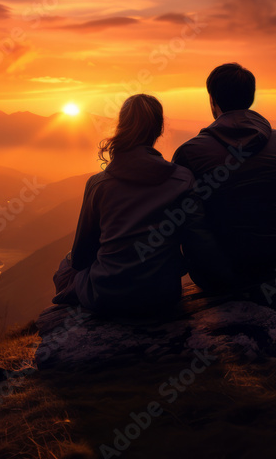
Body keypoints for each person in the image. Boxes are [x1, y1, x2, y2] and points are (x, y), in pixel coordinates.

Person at [52, 94, 231, 316]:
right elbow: (197, 241)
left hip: (107, 296)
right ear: (159, 130)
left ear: (122, 127)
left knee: (65, 268)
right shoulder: (182, 180)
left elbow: (81, 257)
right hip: (163, 295)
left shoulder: (99, 184)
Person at [173, 63, 276, 292]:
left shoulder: (189, 153)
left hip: (217, 276)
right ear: (251, 98)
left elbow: (179, 219)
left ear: (212, 100)